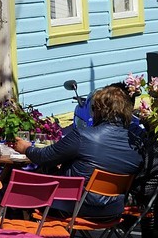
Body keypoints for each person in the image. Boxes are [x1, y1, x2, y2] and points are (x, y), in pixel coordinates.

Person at [11, 82, 144, 222]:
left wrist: (25, 148)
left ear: (98, 110)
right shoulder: (136, 143)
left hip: (73, 207)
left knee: (22, 190)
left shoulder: (83, 136)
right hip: (112, 211)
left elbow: (44, 156)